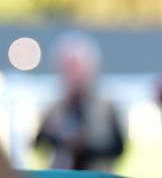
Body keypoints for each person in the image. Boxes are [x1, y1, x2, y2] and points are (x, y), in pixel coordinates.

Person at [35, 31, 124, 172]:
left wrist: (85, 145)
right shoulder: (56, 107)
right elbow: (38, 143)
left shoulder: (105, 106)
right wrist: (60, 139)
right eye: (68, 68)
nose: (73, 74)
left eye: (76, 68)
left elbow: (118, 147)